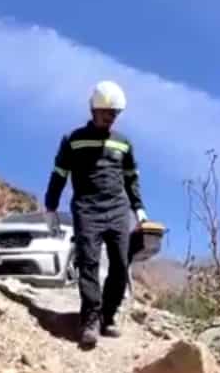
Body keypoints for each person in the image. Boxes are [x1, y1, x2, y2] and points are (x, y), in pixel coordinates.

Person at [44, 80, 148, 348]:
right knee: (88, 263)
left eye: (115, 114)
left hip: (118, 209)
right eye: (106, 113)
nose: (111, 118)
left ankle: (108, 316)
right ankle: (89, 320)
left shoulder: (123, 143)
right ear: (94, 110)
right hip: (87, 209)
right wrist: (51, 207)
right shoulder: (73, 140)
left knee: (120, 264)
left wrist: (139, 210)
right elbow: (59, 174)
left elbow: (131, 178)